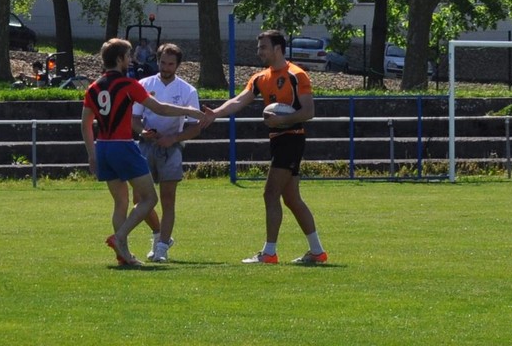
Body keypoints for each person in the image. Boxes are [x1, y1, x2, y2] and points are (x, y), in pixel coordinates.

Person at [202, 29, 328, 265]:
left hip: (292, 137)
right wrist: (215, 114)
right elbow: (239, 100)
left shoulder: (296, 75)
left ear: (277, 49)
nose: (259, 51)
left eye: (263, 47)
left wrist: (281, 120)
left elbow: (308, 112)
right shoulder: (260, 78)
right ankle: (317, 252)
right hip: (279, 140)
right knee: (291, 199)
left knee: (270, 193)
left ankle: (269, 253)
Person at [81, 38, 205, 266]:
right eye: (128, 56)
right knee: (149, 198)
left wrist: (91, 154)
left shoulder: (94, 87)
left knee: (120, 202)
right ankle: (120, 238)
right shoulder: (129, 84)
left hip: (103, 147)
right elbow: (159, 108)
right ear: (119, 59)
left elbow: (85, 123)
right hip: (123, 146)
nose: (131, 60)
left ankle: (124, 255)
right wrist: (190, 111)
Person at [130, 43, 201, 262]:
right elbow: (134, 118)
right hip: (147, 145)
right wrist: (143, 131)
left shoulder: (187, 90)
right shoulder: (144, 84)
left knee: (168, 199)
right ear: (157, 61)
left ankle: (161, 248)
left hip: (172, 147)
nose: (166, 67)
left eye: (171, 64)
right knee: (139, 199)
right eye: (162, 62)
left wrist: (174, 139)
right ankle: (159, 234)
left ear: (178, 65)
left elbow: (196, 124)